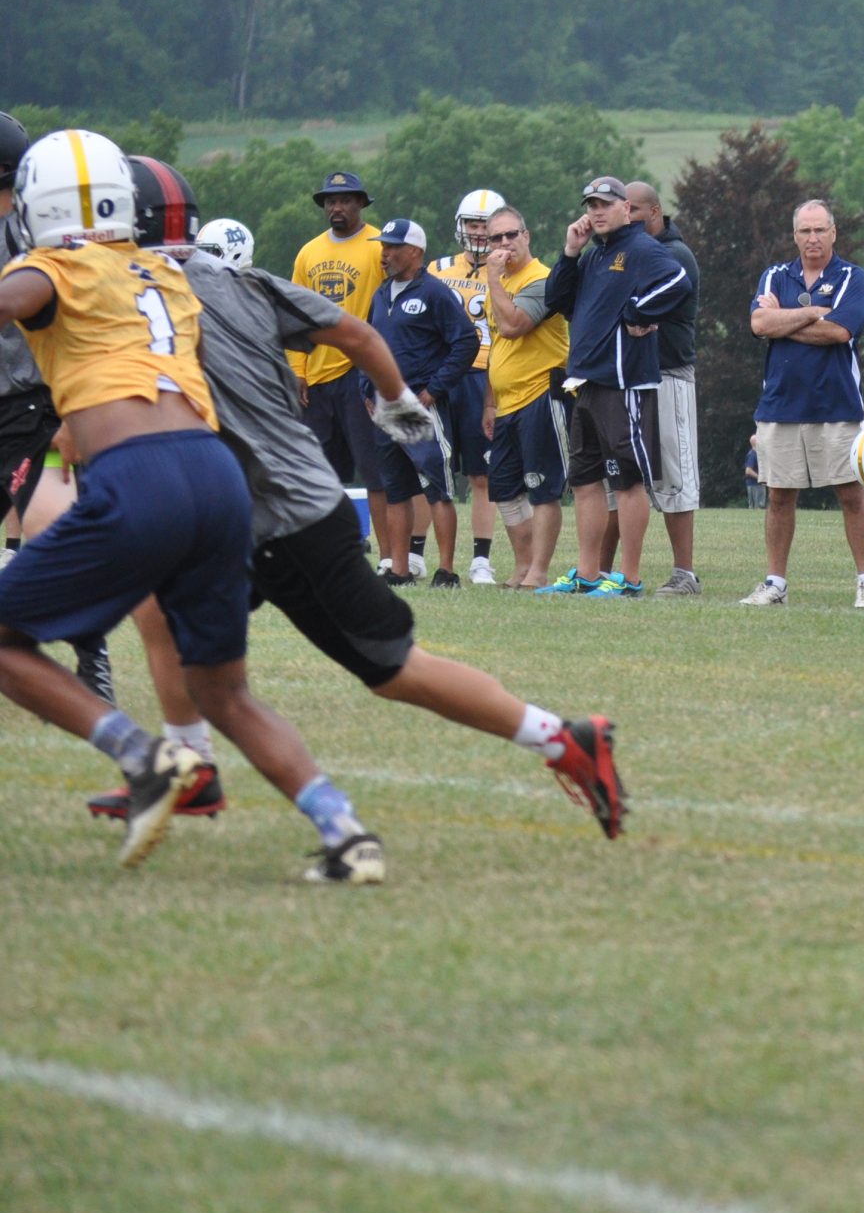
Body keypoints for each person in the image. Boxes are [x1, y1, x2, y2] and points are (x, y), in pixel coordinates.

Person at [84, 158, 626, 839]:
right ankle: (192, 764)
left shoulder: (113, 295)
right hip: (236, 510)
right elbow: (355, 333)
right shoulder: (241, 282)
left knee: (391, 669)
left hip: (280, 513)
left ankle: (564, 738)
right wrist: (398, 402)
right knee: (164, 609)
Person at [0, 131, 382, 880]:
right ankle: (346, 834)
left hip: (140, 475)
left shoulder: (49, 266)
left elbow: (20, 297)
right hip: (216, 478)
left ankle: (143, 756)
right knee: (223, 690)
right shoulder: (163, 270)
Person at [539, 176, 689, 598]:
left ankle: (629, 578)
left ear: (626, 209)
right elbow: (557, 300)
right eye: (591, 204)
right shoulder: (591, 255)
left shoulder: (641, 249)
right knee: (585, 482)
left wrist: (636, 312)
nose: (597, 211)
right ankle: (587, 574)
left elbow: (678, 283)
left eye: (605, 203)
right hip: (584, 380)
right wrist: (570, 252)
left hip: (623, 383)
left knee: (627, 481)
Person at [0, 111, 108, 698]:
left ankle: (92, 660)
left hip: (32, 406)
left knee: (52, 539)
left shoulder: (29, 236)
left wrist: (71, 408)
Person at [741, 199, 864, 609]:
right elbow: (758, 324)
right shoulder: (775, 275)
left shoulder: (852, 276)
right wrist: (812, 314)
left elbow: (839, 332)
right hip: (780, 404)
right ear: (795, 235)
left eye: (820, 230)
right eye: (805, 231)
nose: (813, 238)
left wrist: (783, 322)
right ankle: (775, 583)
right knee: (780, 496)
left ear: (834, 232)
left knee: (851, 495)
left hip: (837, 406)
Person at [366, 218, 477, 588]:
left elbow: (466, 342)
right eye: (384, 246)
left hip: (420, 405)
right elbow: (369, 344)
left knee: (437, 486)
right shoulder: (381, 294)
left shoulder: (434, 292)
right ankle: (399, 569)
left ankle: (446, 570)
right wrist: (366, 389)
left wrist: (434, 390)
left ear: (415, 252)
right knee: (396, 490)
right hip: (386, 406)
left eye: (393, 247)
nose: (386, 253)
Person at [292, 168, 391, 570]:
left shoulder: (379, 244)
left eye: (345, 200)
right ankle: (327, 551)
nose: (336, 206)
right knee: (317, 472)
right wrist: (297, 368)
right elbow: (294, 314)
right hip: (315, 378)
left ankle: (389, 557)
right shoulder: (308, 252)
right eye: (331, 201)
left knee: (375, 471)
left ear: (361, 204)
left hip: (361, 373)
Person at [478, 205, 572, 589]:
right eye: (495, 238)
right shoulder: (496, 284)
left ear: (526, 235)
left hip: (540, 395)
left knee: (541, 486)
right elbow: (496, 346)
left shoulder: (543, 280)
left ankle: (539, 570)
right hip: (506, 402)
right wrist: (489, 401)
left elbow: (514, 326)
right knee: (504, 488)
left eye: (511, 235)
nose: (504, 244)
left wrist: (494, 279)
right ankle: (521, 565)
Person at [622, 183, 703, 594]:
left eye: (632, 208)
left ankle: (684, 573)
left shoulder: (675, 256)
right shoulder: (628, 252)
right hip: (630, 377)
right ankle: (603, 571)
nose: (626, 214)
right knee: (622, 477)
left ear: (654, 211)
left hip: (669, 372)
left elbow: (641, 306)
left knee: (675, 474)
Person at [427, 189, 505, 584]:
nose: (478, 232)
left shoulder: (507, 271)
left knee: (481, 475)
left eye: (485, 225)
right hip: (443, 375)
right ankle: (414, 551)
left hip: (484, 377)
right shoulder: (437, 268)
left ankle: (480, 559)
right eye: (473, 224)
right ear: (460, 227)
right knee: (430, 470)